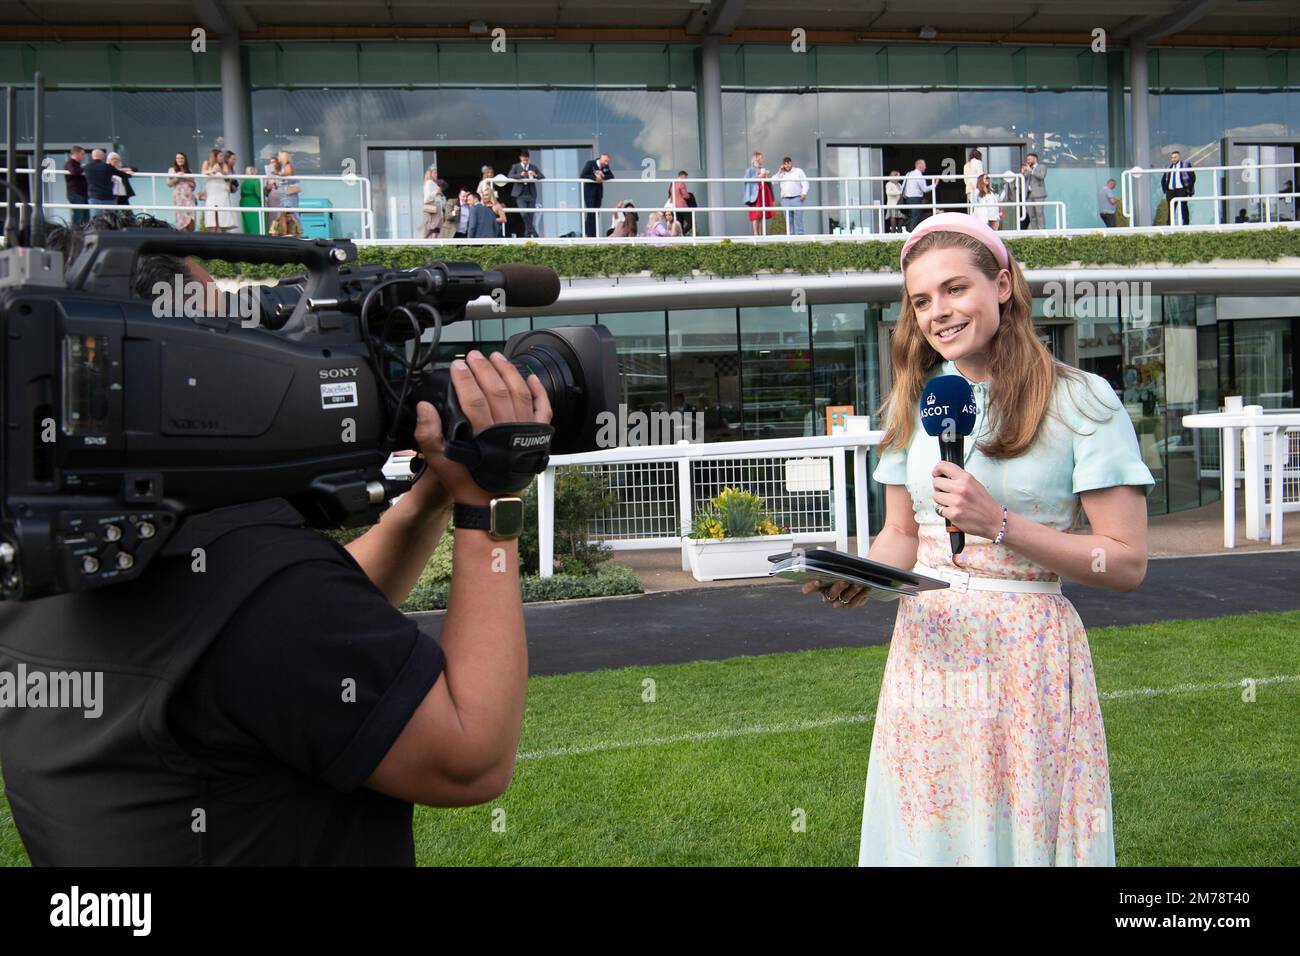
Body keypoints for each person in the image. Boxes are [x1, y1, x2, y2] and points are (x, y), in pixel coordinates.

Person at [0, 218, 554, 865]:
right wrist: (490, 501)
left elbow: (300, 621)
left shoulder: (53, 545)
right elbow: (469, 757)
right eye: (221, 334)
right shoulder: (257, 589)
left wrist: (433, 491)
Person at [802, 211, 1154, 866]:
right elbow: (901, 535)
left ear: (1001, 284)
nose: (939, 312)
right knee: (933, 835)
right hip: (927, 651)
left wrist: (1000, 524)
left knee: (1018, 836)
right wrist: (864, 576)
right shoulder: (915, 402)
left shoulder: (1085, 402)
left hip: (1028, 660)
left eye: (955, 288)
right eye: (921, 300)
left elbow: (1127, 562)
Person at [507, 149, 544, 238]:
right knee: (523, 213)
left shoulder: (533, 166)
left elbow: (542, 176)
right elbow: (510, 175)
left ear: (529, 159)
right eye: (524, 160)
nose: (525, 162)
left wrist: (535, 175)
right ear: (520, 158)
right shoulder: (515, 166)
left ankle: (527, 234)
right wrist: (520, 175)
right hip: (520, 195)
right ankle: (533, 233)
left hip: (531, 194)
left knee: (530, 215)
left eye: (527, 160)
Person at [579, 152, 613, 238]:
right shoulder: (591, 164)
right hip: (589, 193)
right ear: (600, 158)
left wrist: (603, 176)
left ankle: (593, 233)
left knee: (596, 213)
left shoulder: (605, 167)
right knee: (591, 212)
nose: (606, 163)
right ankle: (589, 234)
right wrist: (595, 178)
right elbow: (583, 175)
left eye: (607, 162)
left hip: (598, 193)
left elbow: (611, 176)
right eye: (605, 161)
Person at [773, 156, 810, 235]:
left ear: (791, 163)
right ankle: (791, 236)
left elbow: (805, 182)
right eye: (785, 164)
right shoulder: (781, 174)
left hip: (797, 198)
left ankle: (801, 236)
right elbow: (773, 181)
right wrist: (779, 172)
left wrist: (804, 193)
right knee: (788, 220)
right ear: (783, 165)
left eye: (788, 164)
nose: (787, 166)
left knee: (798, 219)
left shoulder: (798, 171)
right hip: (785, 200)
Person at [1161, 150, 1195, 227]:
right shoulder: (1168, 166)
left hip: (1181, 190)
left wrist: (1188, 188)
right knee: (1171, 208)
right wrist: (1165, 190)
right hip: (1170, 191)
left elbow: (1193, 177)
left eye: (1175, 157)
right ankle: (1169, 225)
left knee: (1184, 206)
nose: (1173, 159)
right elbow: (1164, 179)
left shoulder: (1185, 165)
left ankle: (1186, 223)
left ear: (1179, 157)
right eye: (1172, 158)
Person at [901, 159, 937, 230]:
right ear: (920, 165)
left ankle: (909, 232)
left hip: (908, 198)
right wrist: (935, 184)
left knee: (912, 216)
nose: (925, 167)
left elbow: (903, 187)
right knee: (916, 216)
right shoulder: (918, 175)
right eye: (924, 165)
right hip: (915, 198)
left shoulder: (909, 173)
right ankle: (913, 233)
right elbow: (925, 189)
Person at [167, 152, 198, 232]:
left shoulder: (189, 170)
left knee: (192, 219)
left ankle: (191, 238)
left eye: (181, 158)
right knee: (181, 220)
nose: (179, 160)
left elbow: (194, 186)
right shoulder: (172, 170)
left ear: (185, 160)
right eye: (177, 158)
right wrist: (177, 176)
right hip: (179, 198)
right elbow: (169, 184)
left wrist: (187, 178)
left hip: (189, 198)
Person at [274, 150, 301, 237]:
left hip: (288, 194)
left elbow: (288, 173)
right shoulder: (282, 166)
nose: (278, 158)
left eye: (279, 156)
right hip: (284, 194)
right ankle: (285, 233)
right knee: (284, 214)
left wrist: (278, 173)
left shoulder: (287, 164)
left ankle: (297, 233)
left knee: (292, 214)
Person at [64, 145, 88, 226]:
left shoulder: (77, 164)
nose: (83, 156)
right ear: (76, 153)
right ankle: (75, 233)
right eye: (82, 154)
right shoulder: (70, 163)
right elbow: (74, 171)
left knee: (85, 215)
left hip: (82, 193)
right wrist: (84, 168)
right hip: (75, 193)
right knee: (78, 214)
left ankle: (84, 233)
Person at [1022, 152, 1048, 230]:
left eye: (1029, 159)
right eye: (1027, 160)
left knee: (1039, 213)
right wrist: (1023, 173)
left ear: (1035, 159)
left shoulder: (1042, 167)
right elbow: (1025, 179)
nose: (1028, 161)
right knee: (1031, 215)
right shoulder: (1028, 168)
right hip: (1029, 195)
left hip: (1038, 194)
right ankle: (1034, 232)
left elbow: (1042, 176)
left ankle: (1042, 231)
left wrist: (1031, 171)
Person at [748, 162, 775, 236]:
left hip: (763, 192)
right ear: (754, 162)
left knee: (761, 214)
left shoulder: (763, 170)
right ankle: (756, 233)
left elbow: (767, 182)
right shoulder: (750, 170)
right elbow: (748, 180)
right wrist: (759, 176)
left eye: (760, 161)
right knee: (755, 214)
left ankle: (760, 233)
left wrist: (766, 176)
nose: (759, 163)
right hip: (755, 194)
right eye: (757, 161)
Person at [421, 165, 445, 240]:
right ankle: (421, 244)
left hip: (438, 211)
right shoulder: (429, 183)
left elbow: (440, 199)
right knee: (430, 230)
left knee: (436, 230)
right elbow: (427, 198)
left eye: (437, 173)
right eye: (435, 172)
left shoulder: (435, 184)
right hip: (433, 210)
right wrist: (436, 192)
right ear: (430, 173)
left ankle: (433, 246)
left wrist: (441, 196)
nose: (436, 174)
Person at [239, 165, 263, 234]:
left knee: (247, 221)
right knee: (255, 221)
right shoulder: (255, 181)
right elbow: (259, 193)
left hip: (244, 202)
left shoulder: (244, 182)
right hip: (253, 202)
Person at [963, 148, 985, 214]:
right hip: (976, 187)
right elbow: (980, 176)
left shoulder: (966, 165)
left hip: (968, 188)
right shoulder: (978, 162)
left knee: (973, 206)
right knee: (979, 207)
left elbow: (965, 179)